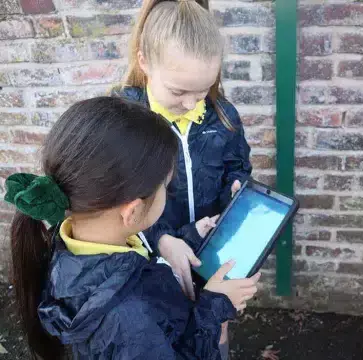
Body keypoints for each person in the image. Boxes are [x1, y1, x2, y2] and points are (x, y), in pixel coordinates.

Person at [6, 97, 260, 360]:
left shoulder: (73, 240)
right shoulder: (129, 318)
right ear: (133, 211)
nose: (166, 193)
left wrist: (191, 236)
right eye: (165, 186)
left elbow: (139, 267)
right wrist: (213, 308)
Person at [113, 0, 253, 356]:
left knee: (213, 331)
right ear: (144, 61)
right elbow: (116, 202)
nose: (193, 103)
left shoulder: (223, 115)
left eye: (203, 89)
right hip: (152, 266)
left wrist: (235, 192)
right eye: (179, 91)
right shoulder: (123, 123)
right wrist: (161, 241)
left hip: (210, 254)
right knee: (167, 339)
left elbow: (238, 167)